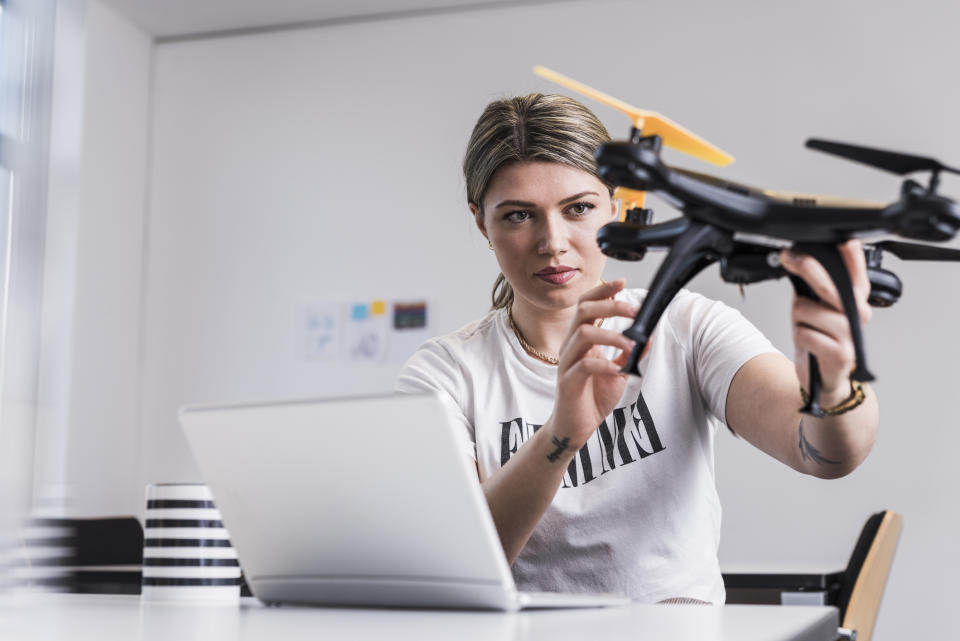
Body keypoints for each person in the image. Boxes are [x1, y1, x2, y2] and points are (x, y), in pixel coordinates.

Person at [395, 93, 878, 603]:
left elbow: (825, 455)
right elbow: (454, 568)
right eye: (518, 216)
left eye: (578, 208)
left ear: (618, 205)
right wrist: (562, 433)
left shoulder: (687, 326)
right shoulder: (443, 375)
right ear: (481, 223)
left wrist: (832, 380)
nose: (552, 242)